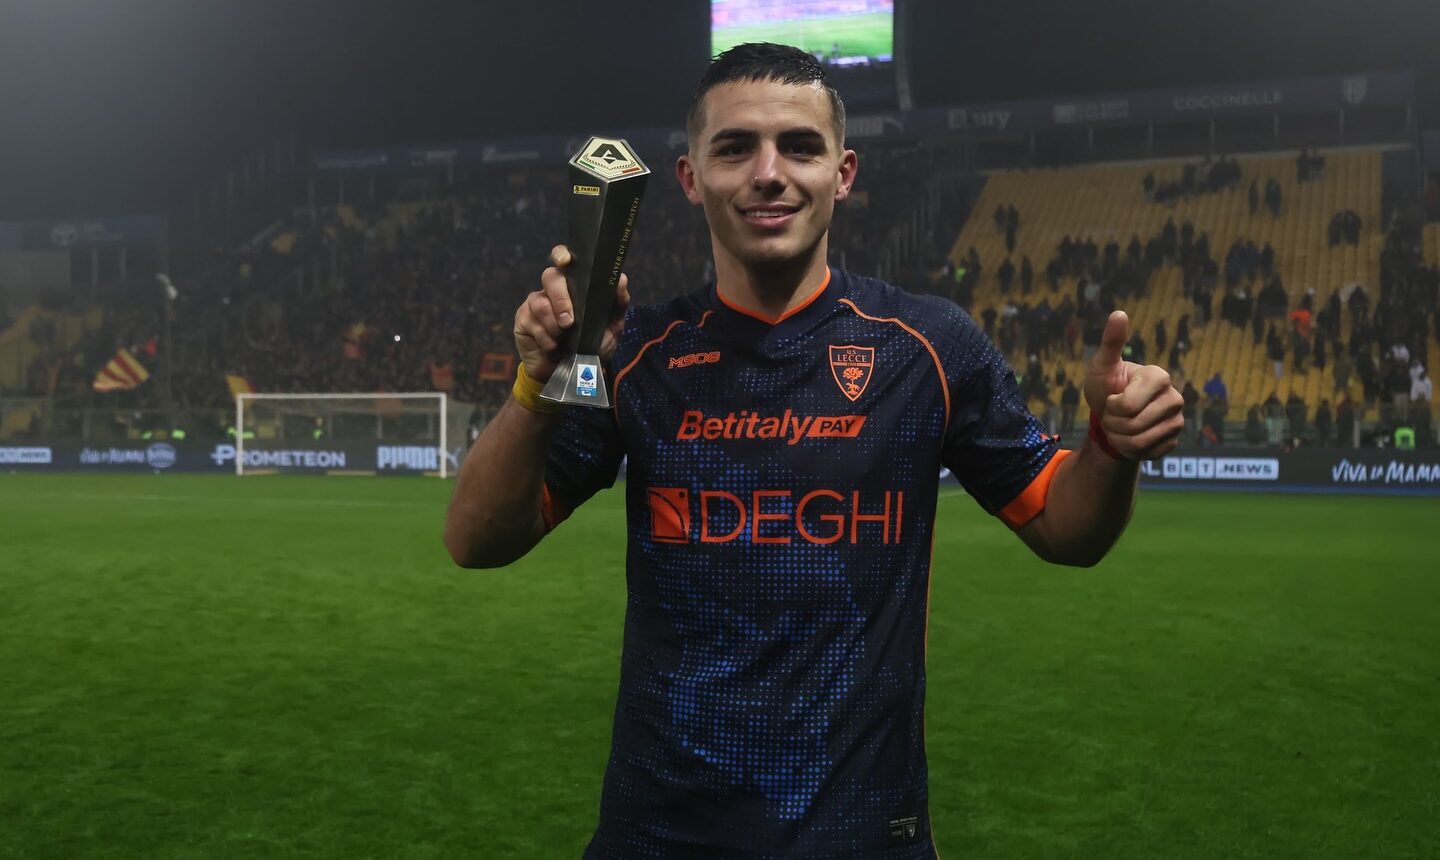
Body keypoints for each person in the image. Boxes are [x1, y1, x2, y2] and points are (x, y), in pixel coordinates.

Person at [442, 43, 1186, 858]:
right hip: (658, 834)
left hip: (864, 834)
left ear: (844, 173)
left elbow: (1067, 530)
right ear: (690, 177)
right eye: (735, 148)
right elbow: (477, 539)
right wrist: (541, 379)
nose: (769, 174)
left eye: (799, 146)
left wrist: (1111, 446)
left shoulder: (928, 346)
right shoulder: (633, 354)